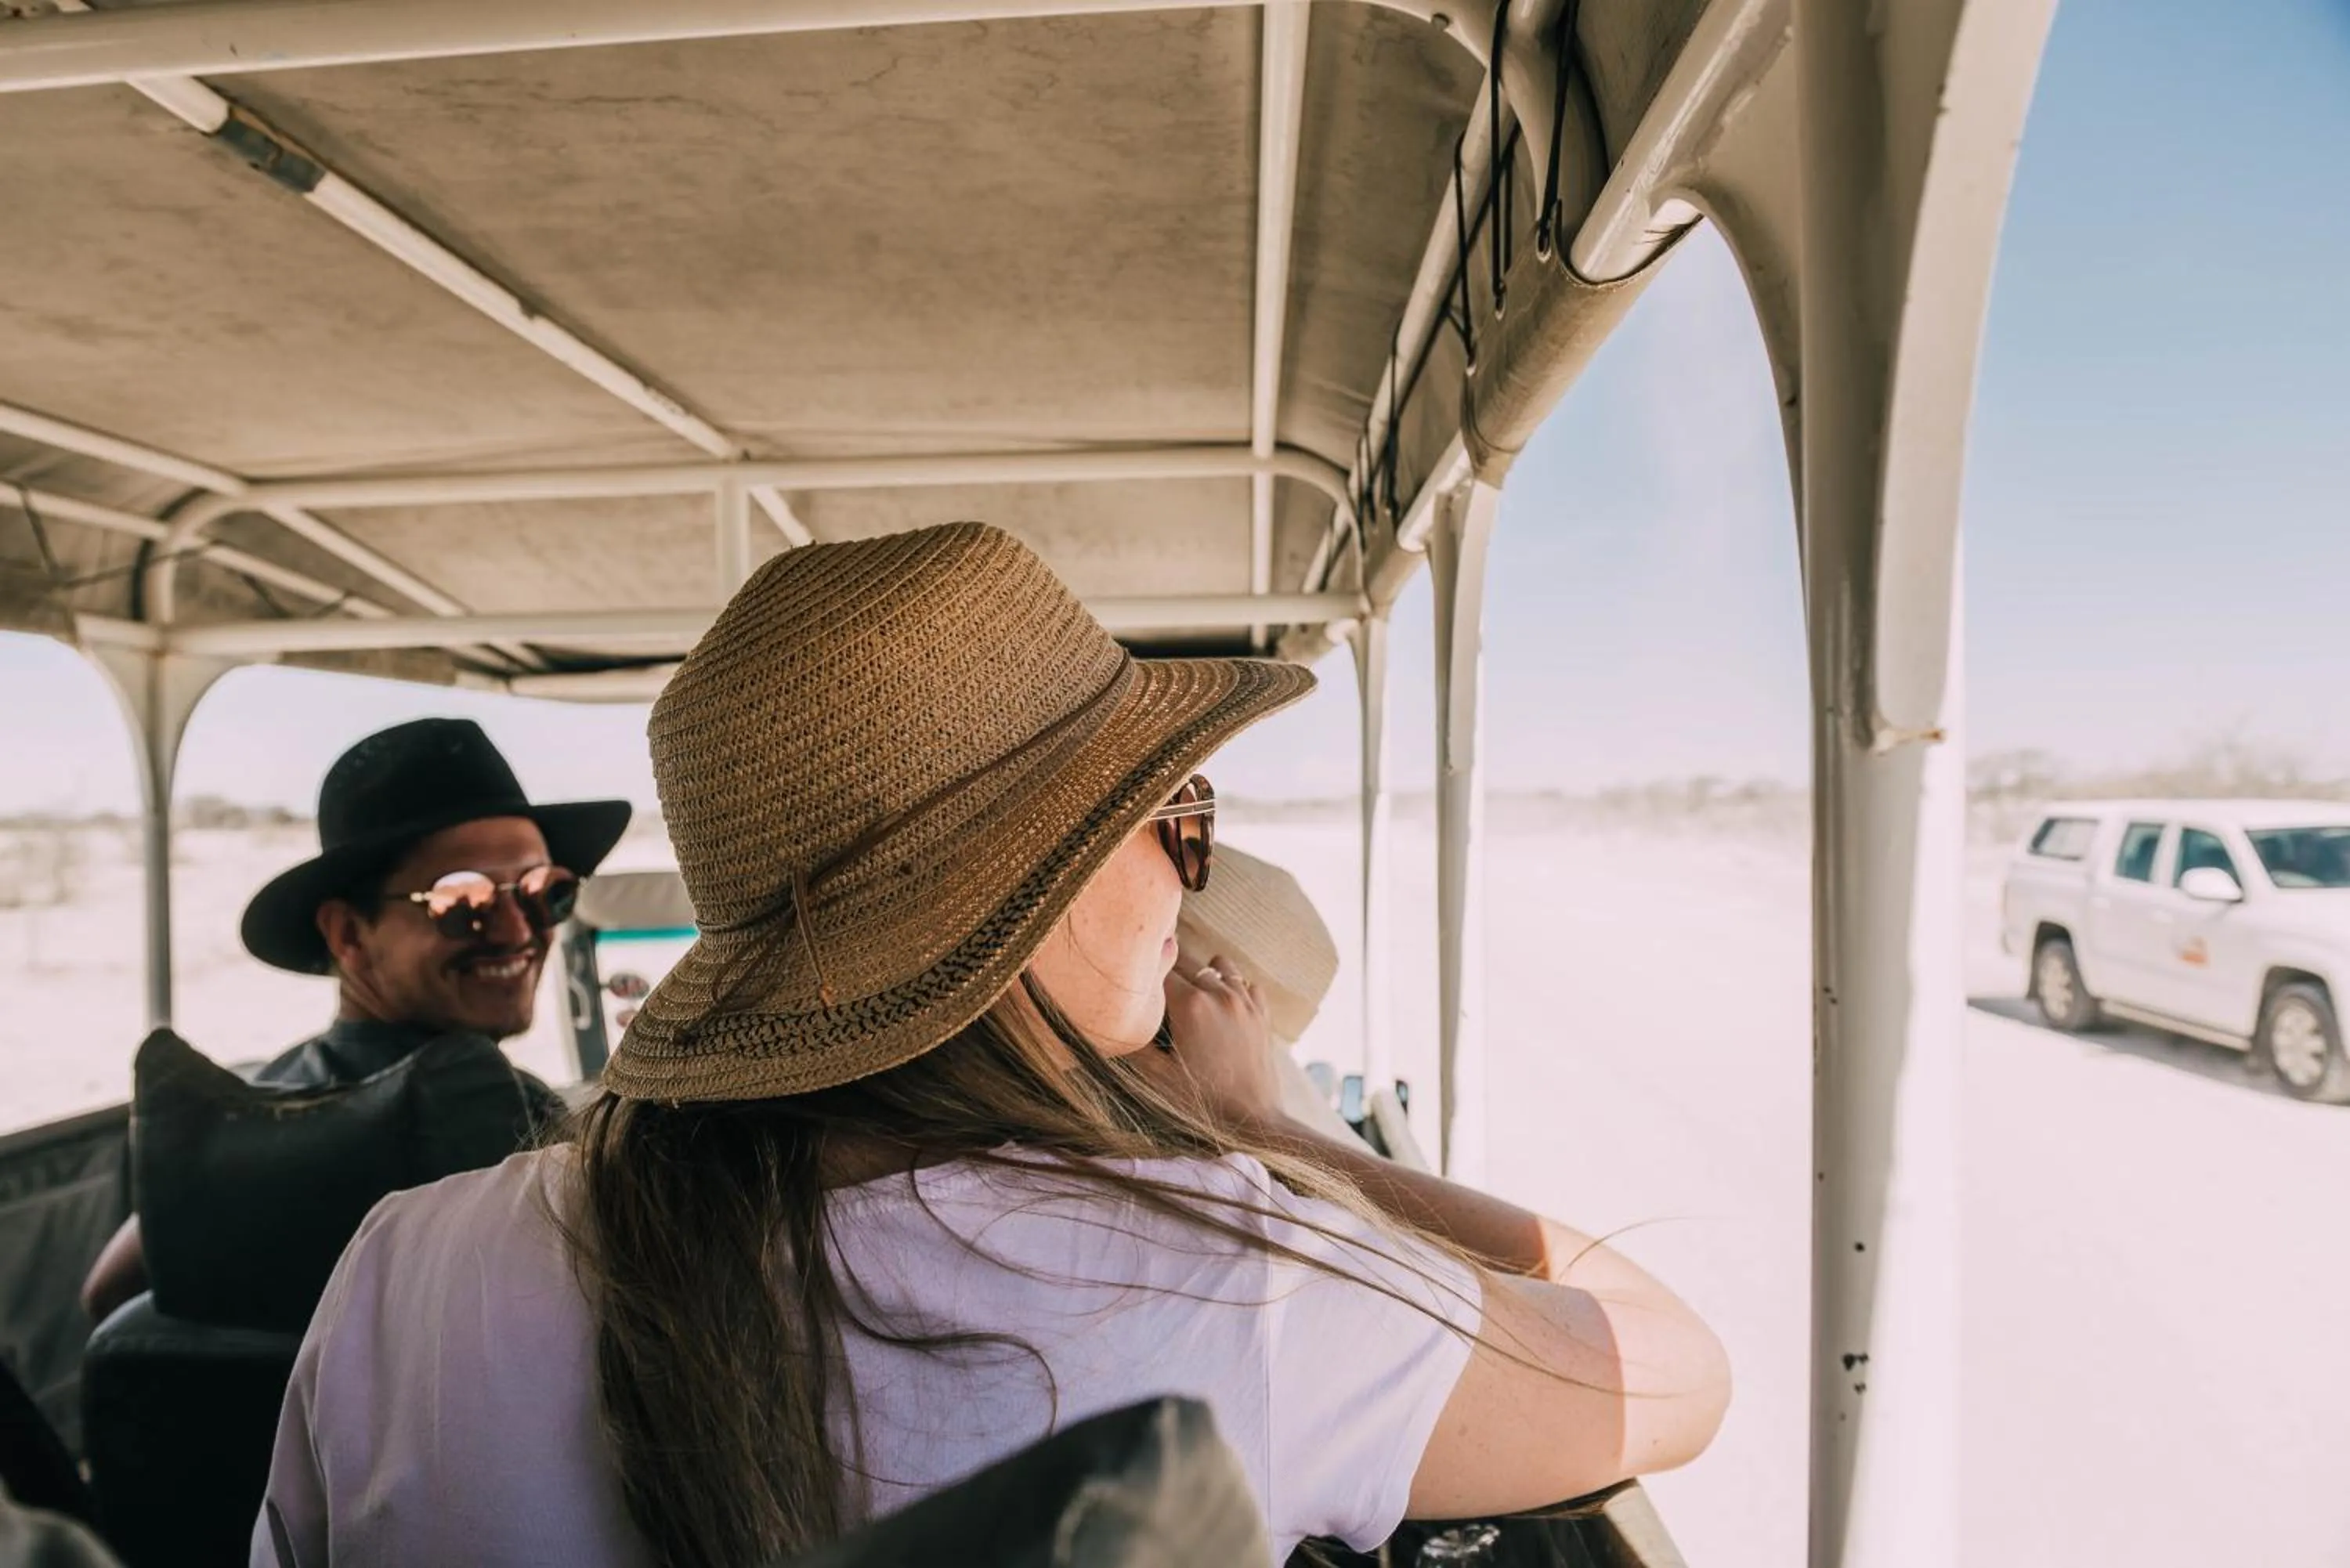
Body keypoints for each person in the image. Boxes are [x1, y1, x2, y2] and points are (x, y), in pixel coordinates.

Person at [254, 523, 1730, 1568]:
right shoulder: (1213, 1277)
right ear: (1046, 879)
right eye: (1178, 816)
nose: (1187, 875)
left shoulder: (405, 1262)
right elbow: (1668, 1375)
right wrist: (1270, 1134)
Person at [78, 717, 631, 1323]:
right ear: (347, 933)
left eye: (541, 890)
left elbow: (108, 1294)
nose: (520, 931)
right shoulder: (502, 1116)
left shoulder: (256, 1102)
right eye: (461, 900)